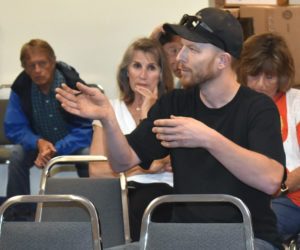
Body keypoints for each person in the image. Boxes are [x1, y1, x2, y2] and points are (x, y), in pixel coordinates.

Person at [56, 8, 286, 250]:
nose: (180, 58)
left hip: (247, 237)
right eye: (182, 48)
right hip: (182, 237)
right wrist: (107, 118)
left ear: (222, 61)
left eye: (193, 49)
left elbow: (271, 181)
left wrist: (207, 138)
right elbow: (121, 162)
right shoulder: (174, 104)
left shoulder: (258, 107)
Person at [89, 37, 174, 241]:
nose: (143, 75)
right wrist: (144, 168)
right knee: (141, 202)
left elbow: (183, 162)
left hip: (170, 190)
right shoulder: (109, 109)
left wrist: (148, 112)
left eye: (151, 67)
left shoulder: (172, 109)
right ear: (127, 71)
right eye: (137, 66)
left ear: (161, 75)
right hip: (128, 190)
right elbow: (96, 171)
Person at [4, 39, 93, 214]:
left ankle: (93, 210)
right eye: (31, 66)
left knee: (89, 155)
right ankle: (17, 215)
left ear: (53, 62)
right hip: (38, 145)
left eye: (42, 63)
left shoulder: (73, 84)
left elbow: (87, 130)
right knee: (16, 155)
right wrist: (38, 142)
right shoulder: (21, 88)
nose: (37, 70)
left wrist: (56, 148)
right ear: (25, 68)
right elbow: (13, 128)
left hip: (72, 144)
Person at [236, 32, 300, 241]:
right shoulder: (232, 104)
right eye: (254, 75)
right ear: (243, 73)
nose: (261, 84)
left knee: (251, 233)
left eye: (269, 77)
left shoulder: (296, 104)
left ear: (281, 76)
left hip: (290, 198)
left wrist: (279, 189)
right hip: (240, 198)